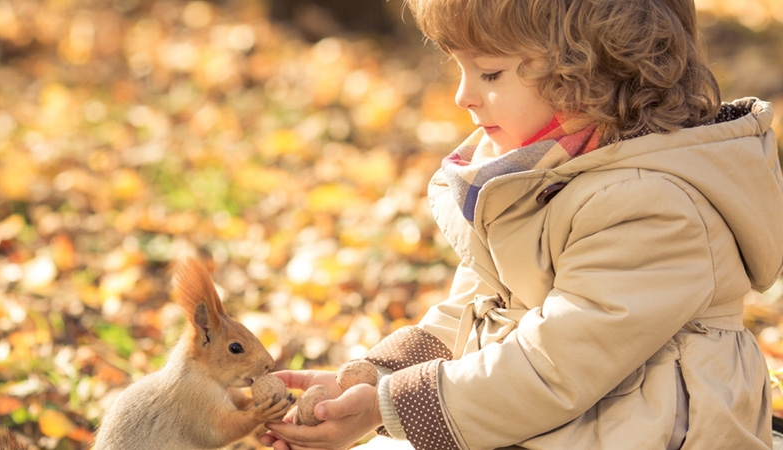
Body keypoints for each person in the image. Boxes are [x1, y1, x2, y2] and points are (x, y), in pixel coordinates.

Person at [259, 0, 783, 448]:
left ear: (590, 74)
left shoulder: (651, 203)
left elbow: (554, 366)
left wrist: (389, 409)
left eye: (489, 72)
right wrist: (375, 379)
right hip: (556, 418)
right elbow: (476, 311)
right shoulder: (533, 172)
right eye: (458, 67)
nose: (464, 95)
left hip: (648, 430)